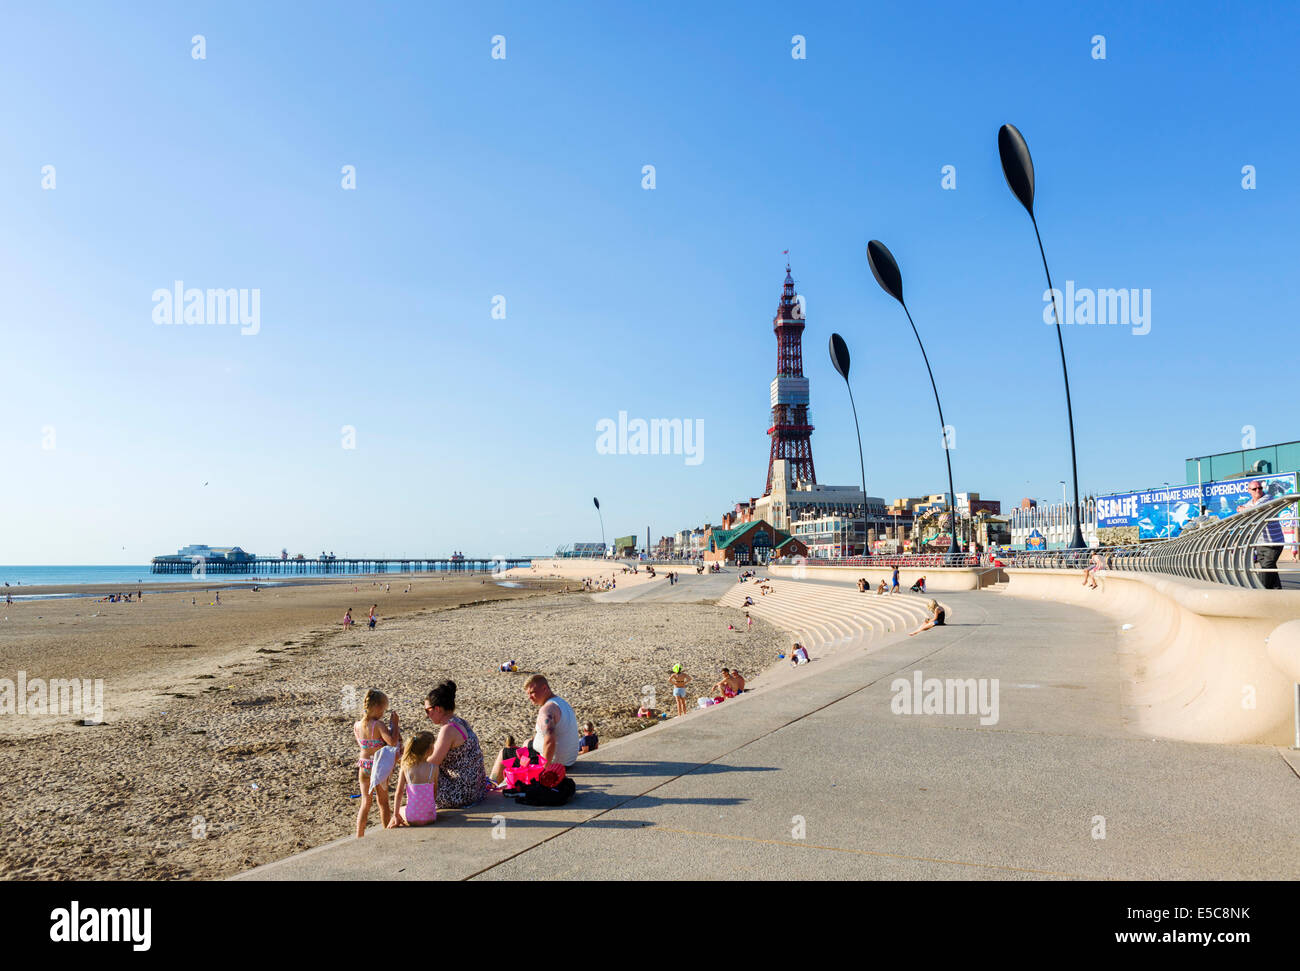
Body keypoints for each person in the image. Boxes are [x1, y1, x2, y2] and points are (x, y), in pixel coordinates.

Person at [489, 674, 580, 782]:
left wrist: (544, 770)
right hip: (569, 760)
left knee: (505, 753)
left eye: (532, 692)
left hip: (554, 762)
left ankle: (492, 784)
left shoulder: (546, 710)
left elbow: (550, 741)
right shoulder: (561, 703)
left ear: (545, 688)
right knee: (527, 743)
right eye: (528, 694)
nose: (530, 697)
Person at [421, 680, 487, 808]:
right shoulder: (460, 722)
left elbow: (433, 763)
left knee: (417, 771)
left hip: (461, 793)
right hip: (477, 789)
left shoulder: (448, 730)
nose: (427, 716)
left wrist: (410, 761)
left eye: (427, 711)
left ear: (438, 709)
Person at [354, 689, 401, 836]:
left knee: (365, 803)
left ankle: (359, 835)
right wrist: (395, 724)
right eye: (384, 709)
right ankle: (387, 831)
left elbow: (364, 745)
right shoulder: (378, 725)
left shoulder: (357, 725)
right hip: (377, 766)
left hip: (364, 765)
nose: (383, 712)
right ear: (378, 707)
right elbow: (392, 742)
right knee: (383, 801)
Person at [1237, 480, 1285, 589]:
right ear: (1249, 491)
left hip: (1274, 542)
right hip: (1260, 542)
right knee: (1269, 567)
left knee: (1266, 567)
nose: (1258, 490)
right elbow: (1242, 508)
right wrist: (1242, 508)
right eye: (1254, 489)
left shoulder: (1268, 499)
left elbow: (1257, 510)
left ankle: (1260, 590)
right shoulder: (1250, 503)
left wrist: (1244, 509)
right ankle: (1278, 591)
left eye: (1260, 488)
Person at [389, 732, 438, 827]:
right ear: (429, 750)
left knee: (400, 810)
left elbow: (398, 793)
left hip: (412, 818)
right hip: (430, 816)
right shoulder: (434, 768)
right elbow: (434, 792)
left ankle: (394, 820)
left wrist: (395, 814)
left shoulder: (406, 768)